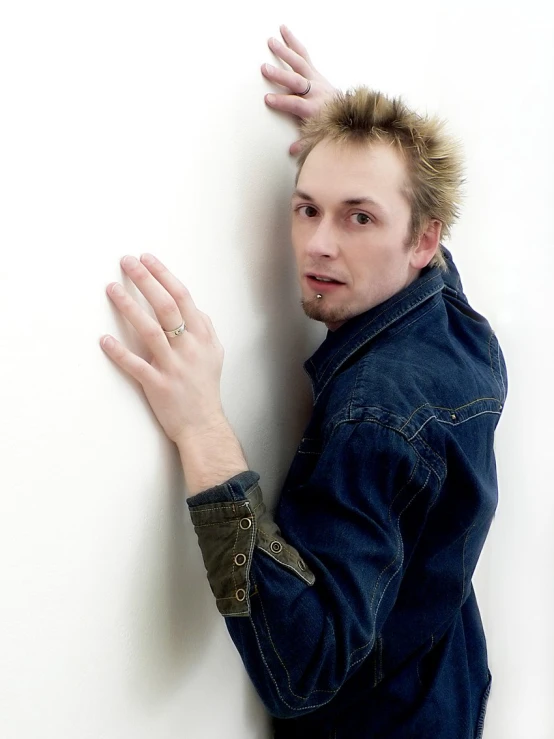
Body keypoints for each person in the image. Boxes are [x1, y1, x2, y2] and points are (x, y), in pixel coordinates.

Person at [100, 26, 508, 738]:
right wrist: (359, 148)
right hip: (449, 689)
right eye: (308, 206)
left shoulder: (374, 415)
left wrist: (203, 429)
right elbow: (427, 246)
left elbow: (302, 668)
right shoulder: (463, 334)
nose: (320, 242)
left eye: (359, 216)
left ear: (420, 240)